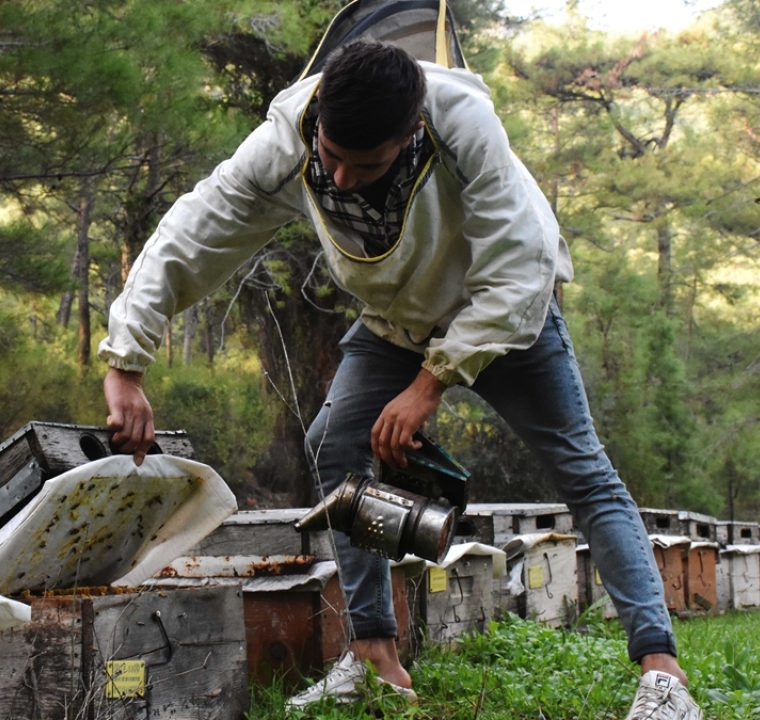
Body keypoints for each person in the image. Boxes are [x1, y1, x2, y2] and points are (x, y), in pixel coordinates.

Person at [99, 39, 702, 719]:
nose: (343, 180)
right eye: (330, 158)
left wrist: (431, 384)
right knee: (335, 444)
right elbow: (195, 230)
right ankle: (376, 658)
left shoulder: (462, 123)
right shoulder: (288, 132)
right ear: (321, 112)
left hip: (503, 314)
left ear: (410, 134)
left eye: (368, 165)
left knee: (584, 472)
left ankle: (663, 677)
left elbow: (520, 263)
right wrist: (127, 359)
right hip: (395, 323)